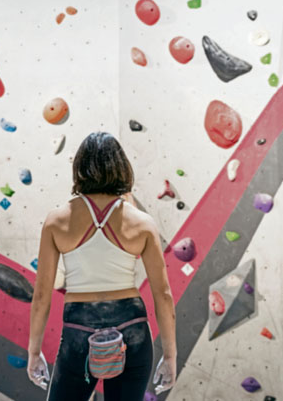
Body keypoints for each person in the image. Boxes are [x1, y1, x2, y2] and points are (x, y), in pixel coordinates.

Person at [27, 131, 177, 400]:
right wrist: (170, 356)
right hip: (133, 327)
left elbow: (41, 295)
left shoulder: (57, 221)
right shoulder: (143, 223)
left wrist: (34, 352)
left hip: (78, 329)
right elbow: (163, 295)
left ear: (79, 169)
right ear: (121, 167)